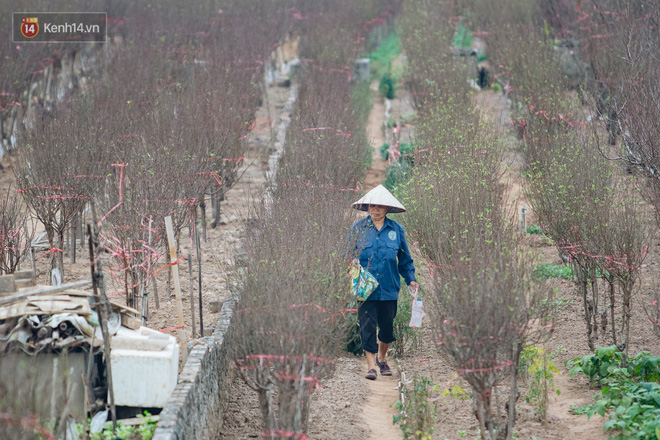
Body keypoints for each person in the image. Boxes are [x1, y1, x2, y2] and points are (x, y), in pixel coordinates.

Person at [349, 185, 418, 380]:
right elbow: (346, 254)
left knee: (387, 328)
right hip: (365, 287)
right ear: (368, 208)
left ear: (388, 209)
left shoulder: (396, 230)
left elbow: (405, 260)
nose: (376, 210)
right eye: (372, 206)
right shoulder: (357, 229)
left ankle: (382, 357)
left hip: (389, 287)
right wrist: (351, 262)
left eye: (380, 206)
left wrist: (411, 279)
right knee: (367, 326)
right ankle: (371, 366)